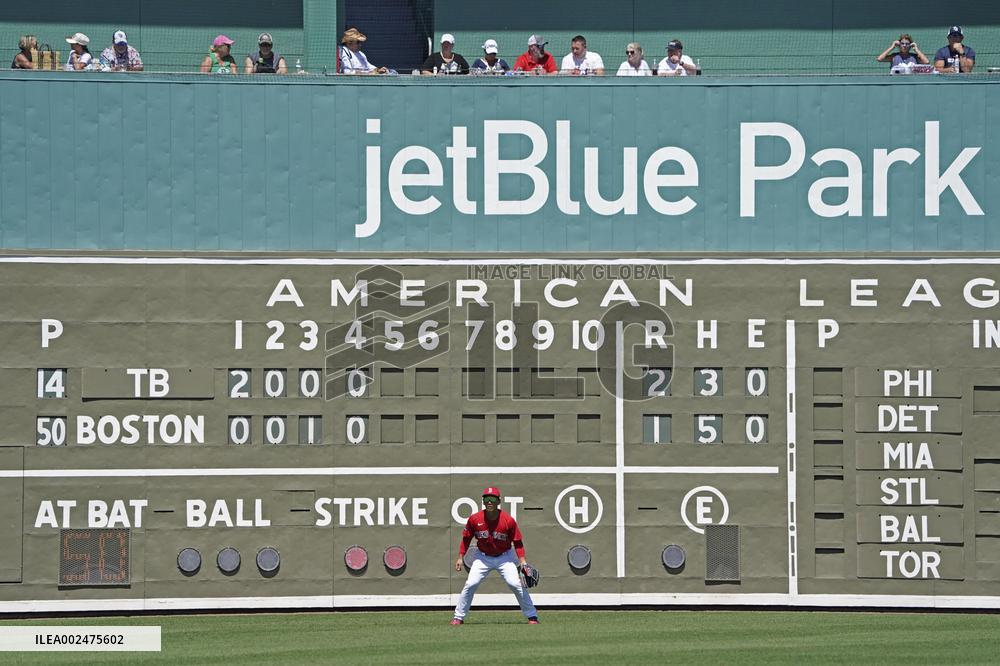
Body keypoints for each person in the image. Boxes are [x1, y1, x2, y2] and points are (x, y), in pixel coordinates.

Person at [451, 486, 538, 625]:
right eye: (486, 499)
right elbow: (466, 538)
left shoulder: (508, 520)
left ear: (499, 501)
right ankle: (458, 617)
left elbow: (518, 542)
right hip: (482, 557)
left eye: (492, 499)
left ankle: (532, 616)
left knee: (515, 584)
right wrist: (461, 557)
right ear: (483, 501)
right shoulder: (475, 519)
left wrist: (523, 561)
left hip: (505, 557)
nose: (489, 502)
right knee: (471, 583)